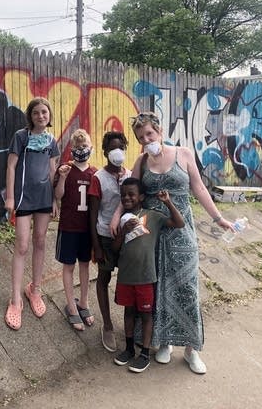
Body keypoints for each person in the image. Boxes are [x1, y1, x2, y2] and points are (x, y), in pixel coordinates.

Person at [111, 111, 232, 374]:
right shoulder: (142, 160)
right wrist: (117, 216)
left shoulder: (184, 154)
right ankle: (163, 342)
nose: (147, 140)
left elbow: (199, 188)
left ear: (160, 131)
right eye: (142, 137)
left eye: (150, 134)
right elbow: (130, 189)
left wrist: (218, 218)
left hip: (181, 230)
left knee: (186, 287)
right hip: (151, 234)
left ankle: (191, 349)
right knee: (157, 288)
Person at [111, 178, 184, 373]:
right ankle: (128, 349)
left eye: (131, 194)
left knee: (145, 315)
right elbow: (115, 249)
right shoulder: (122, 219)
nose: (127, 197)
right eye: (124, 194)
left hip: (145, 277)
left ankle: (144, 353)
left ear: (141, 197)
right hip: (126, 276)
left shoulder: (153, 216)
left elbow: (179, 223)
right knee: (128, 313)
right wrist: (122, 233)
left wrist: (167, 202)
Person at [4, 97, 60, 331]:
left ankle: (34, 290)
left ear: (49, 115)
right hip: (24, 199)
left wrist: (56, 199)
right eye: (36, 112)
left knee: (39, 242)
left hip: (44, 199)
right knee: (22, 245)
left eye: (44, 112)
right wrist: (10, 198)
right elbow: (11, 167)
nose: (40, 116)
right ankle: (15, 299)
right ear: (31, 115)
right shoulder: (21, 137)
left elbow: (53, 170)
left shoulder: (51, 141)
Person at [87, 131, 131, 351]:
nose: (117, 151)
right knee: (103, 279)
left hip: (127, 239)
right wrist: (96, 246)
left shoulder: (131, 175)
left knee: (130, 281)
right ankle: (107, 326)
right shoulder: (98, 178)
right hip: (104, 237)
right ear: (105, 152)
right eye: (113, 148)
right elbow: (92, 214)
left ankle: (132, 327)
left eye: (121, 147)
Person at [54, 129, 97, 331]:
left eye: (85, 146)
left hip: (87, 229)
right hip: (69, 226)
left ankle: (84, 302)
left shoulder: (95, 173)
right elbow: (59, 196)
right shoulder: (66, 170)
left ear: (91, 148)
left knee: (85, 266)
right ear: (72, 149)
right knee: (68, 267)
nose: (82, 150)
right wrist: (62, 177)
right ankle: (71, 306)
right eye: (78, 147)